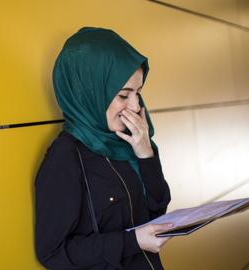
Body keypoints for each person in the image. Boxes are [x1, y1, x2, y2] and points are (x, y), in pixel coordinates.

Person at [34, 27, 172, 270]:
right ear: (89, 91)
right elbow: (53, 253)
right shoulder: (66, 157)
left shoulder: (127, 141)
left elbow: (157, 208)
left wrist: (145, 153)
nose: (135, 106)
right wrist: (133, 241)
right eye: (123, 95)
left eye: (138, 93)